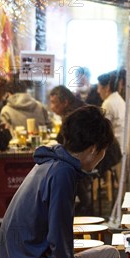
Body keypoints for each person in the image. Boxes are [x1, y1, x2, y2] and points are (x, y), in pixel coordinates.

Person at [0, 106, 125, 258]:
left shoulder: (50, 161)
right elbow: (59, 239)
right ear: (92, 150)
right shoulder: (63, 174)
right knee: (112, 256)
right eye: (103, 150)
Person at [49, 85, 93, 215]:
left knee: (67, 167)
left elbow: (64, 139)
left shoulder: (73, 113)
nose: (52, 107)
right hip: (90, 150)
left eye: (54, 103)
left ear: (65, 102)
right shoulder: (75, 107)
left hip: (96, 153)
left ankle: (82, 206)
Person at [97, 72, 126, 153]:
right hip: (122, 146)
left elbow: (103, 130)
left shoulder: (108, 103)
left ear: (107, 88)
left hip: (113, 149)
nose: (98, 91)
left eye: (99, 87)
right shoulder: (119, 99)